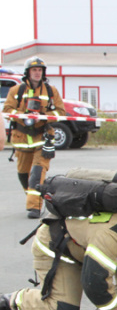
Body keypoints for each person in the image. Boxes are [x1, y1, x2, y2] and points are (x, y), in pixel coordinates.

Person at [2, 57, 65, 218]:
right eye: (34, 70)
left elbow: (60, 112)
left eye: (40, 70)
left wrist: (43, 116)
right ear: (28, 72)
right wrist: (23, 116)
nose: (37, 73)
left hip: (42, 139)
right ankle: (34, 195)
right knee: (23, 173)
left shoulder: (51, 91)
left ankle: (34, 207)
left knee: (37, 173)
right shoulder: (16, 91)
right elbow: (7, 110)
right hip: (21, 140)